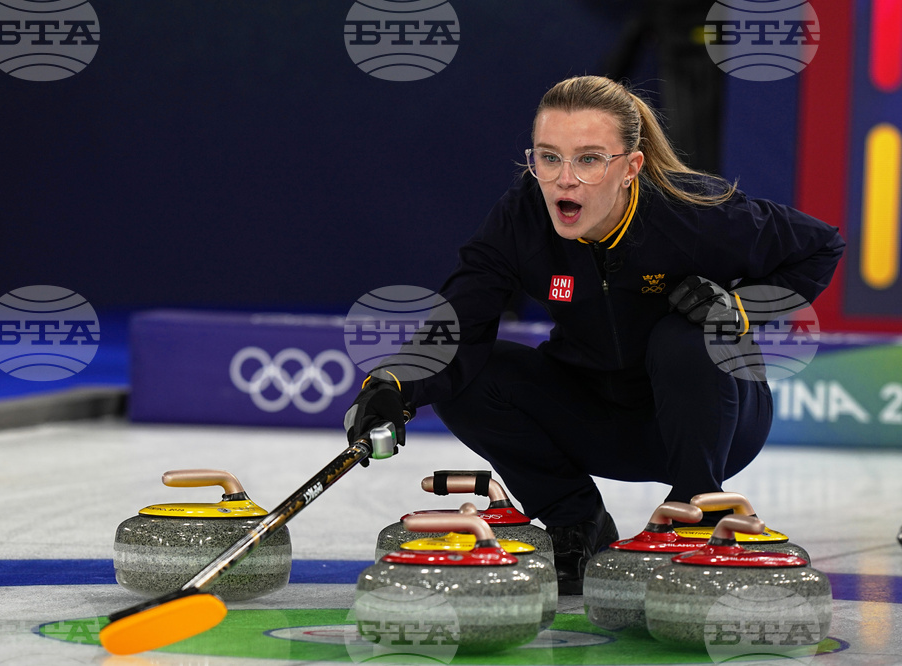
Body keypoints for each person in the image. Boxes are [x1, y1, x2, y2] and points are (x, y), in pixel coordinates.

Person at [344, 75, 845, 595]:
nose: (564, 179)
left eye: (588, 159)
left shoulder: (691, 212)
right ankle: (575, 522)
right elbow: (459, 324)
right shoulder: (523, 216)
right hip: (598, 420)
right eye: (548, 157)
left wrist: (739, 308)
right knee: (472, 375)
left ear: (631, 167)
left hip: (718, 422)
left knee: (687, 333)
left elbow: (819, 247)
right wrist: (392, 384)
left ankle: (696, 509)